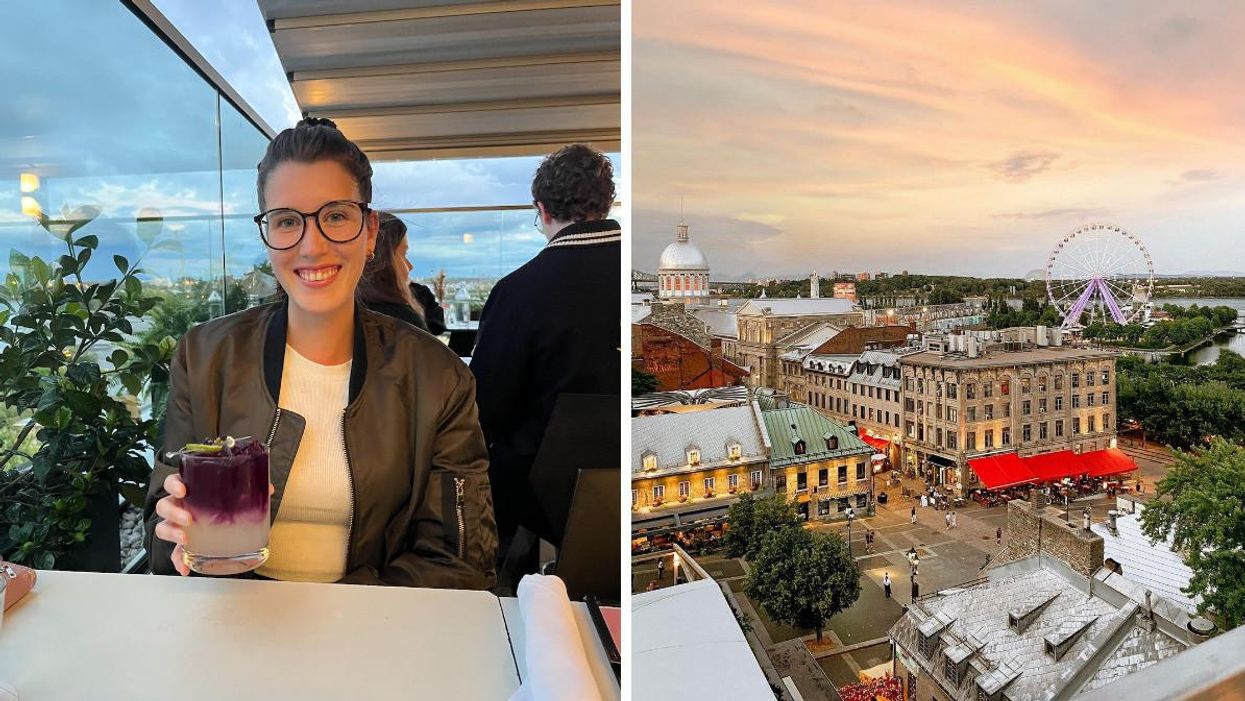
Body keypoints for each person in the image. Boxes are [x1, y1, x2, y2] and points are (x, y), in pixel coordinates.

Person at [143, 117, 497, 588]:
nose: (311, 246)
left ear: (369, 232)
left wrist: (332, 615)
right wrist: (173, 533)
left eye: (336, 216)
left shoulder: (437, 376)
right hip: (233, 614)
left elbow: (459, 558)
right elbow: (161, 537)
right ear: (267, 235)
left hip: (375, 621)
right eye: (288, 221)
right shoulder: (206, 356)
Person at [469, 144, 621, 581]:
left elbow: (484, 409)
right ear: (605, 202)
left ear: (543, 209)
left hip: (537, 513)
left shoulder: (519, 292)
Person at [356, 212, 427, 332]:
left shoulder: (345, 314)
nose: (410, 266)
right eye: (403, 254)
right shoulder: (404, 321)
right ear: (383, 261)